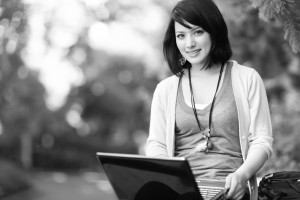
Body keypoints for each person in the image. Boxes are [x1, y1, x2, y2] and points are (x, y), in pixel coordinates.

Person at [145, 0, 274, 199]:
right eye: (181, 35)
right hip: (181, 192)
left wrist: (241, 176)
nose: (189, 44)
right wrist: (171, 178)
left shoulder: (247, 78)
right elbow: (157, 145)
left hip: (230, 192)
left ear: (214, 31)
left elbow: (261, 140)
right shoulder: (165, 89)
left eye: (197, 32)